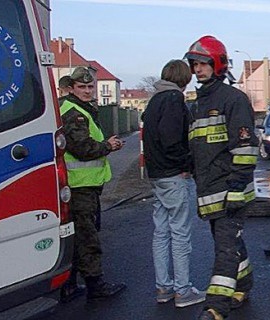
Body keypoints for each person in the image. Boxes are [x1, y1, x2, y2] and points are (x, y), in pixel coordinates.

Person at [184, 36, 259, 320]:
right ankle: (245, 282)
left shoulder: (233, 99)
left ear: (218, 64)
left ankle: (216, 306)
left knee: (225, 248)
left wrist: (238, 186)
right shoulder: (198, 103)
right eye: (195, 64)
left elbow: (245, 147)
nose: (198, 69)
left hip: (230, 189)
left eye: (203, 63)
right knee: (229, 241)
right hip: (210, 189)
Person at [142, 60, 206, 307]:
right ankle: (183, 290)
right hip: (173, 175)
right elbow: (172, 140)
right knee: (180, 234)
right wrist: (186, 165)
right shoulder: (173, 100)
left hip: (157, 175)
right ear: (184, 78)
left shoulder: (154, 100)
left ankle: (163, 288)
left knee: (161, 233)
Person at [59, 67, 126, 301]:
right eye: (82, 87)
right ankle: (95, 286)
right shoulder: (73, 112)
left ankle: (68, 285)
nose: (87, 91)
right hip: (80, 186)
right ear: (72, 88)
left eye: (90, 87)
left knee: (78, 235)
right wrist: (109, 146)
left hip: (81, 185)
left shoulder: (77, 108)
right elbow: (83, 149)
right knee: (87, 237)